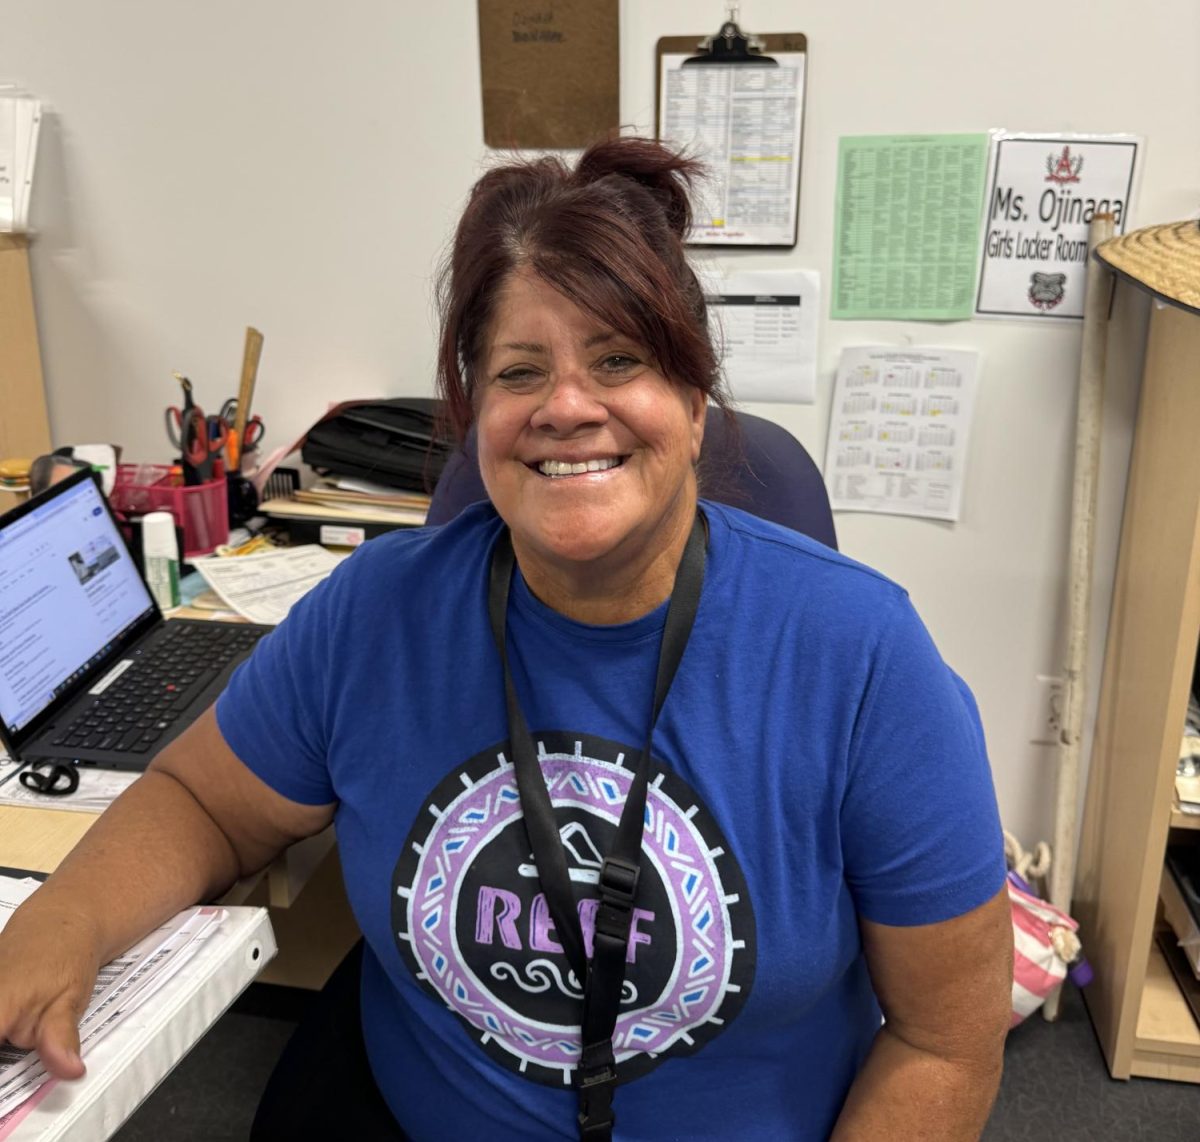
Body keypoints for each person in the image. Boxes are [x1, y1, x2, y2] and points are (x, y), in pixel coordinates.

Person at [0, 137, 1012, 1140]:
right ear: (474, 411)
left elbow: (943, 1040)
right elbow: (205, 805)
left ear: (695, 404)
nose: (568, 406)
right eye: (521, 371)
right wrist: (65, 919)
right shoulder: (375, 614)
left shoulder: (866, 659)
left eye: (619, 361)